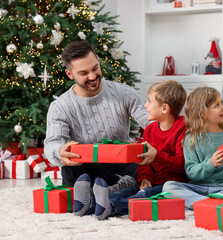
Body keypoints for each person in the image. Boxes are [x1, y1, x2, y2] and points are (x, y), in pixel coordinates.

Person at [72, 80, 188, 219]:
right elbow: (143, 161)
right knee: (127, 191)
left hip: (170, 184)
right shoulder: (150, 129)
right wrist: (145, 178)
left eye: (149, 101)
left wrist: (157, 155)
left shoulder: (182, 128)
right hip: (151, 181)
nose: (145, 105)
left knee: (142, 196)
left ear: (164, 108)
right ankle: (89, 205)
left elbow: (181, 165)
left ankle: (112, 208)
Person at [44, 40, 149, 189]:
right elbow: (52, 143)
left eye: (95, 68)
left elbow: (154, 124)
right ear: (69, 74)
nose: (93, 76)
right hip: (87, 166)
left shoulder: (123, 92)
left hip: (123, 163)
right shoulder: (60, 107)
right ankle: (117, 187)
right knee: (69, 170)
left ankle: (104, 191)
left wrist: (154, 148)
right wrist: (59, 151)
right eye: (84, 73)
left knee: (149, 168)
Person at [163, 87, 223, 209]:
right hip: (198, 188)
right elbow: (191, 172)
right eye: (217, 105)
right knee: (168, 187)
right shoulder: (191, 139)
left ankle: (203, 204)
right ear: (202, 112)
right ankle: (210, 203)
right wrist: (211, 163)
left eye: (222, 103)